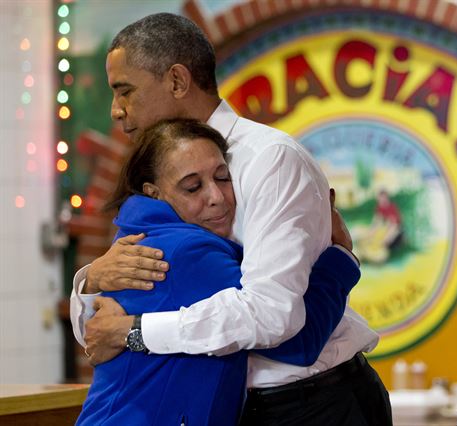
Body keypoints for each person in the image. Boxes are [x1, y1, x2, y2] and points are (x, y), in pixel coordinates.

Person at [69, 12, 392, 425]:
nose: (116, 110)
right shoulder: (154, 178)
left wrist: (135, 331)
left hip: (310, 403)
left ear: (177, 81)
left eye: (125, 91)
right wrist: (90, 281)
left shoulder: (270, 160)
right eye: (193, 186)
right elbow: (97, 333)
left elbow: (274, 319)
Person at [76, 119, 360, 425]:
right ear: (154, 193)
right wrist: (341, 256)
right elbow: (298, 342)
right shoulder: (186, 253)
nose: (216, 196)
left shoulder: (142, 236)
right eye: (192, 186)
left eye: (223, 178)